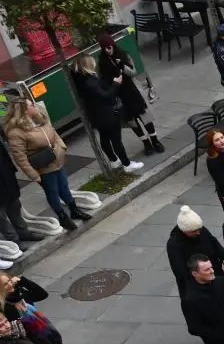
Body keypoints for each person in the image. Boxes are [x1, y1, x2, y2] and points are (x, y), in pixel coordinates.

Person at [4, 97, 84, 232]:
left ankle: (74, 210)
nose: (34, 106)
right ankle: (62, 216)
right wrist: (34, 175)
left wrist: (61, 149)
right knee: (52, 191)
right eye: (30, 105)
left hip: (56, 161)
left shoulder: (39, 118)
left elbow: (54, 133)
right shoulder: (16, 132)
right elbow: (20, 157)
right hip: (43, 166)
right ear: (23, 111)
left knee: (64, 186)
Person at [70, 54, 142, 172]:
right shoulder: (90, 81)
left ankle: (114, 160)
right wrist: (116, 84)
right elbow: (106, 96)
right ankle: (127, 164)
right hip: (107, 114)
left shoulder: (81, 80)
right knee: (116, 140)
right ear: (88, 64)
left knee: (105, 138)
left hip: (97, 116)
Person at [96, 32, 161, 155]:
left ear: (113, 45)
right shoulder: (102, 62)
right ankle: (146, 143)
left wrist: (122, 67)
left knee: (145, 117)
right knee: (132, 121)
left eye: (109, 47)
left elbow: (133, 72)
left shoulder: (124, 55)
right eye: (104, 48)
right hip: (120, 95)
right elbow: (103, 80)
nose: (107, 50)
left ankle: (155, 141)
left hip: (133, 91)